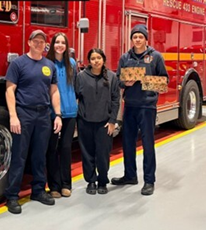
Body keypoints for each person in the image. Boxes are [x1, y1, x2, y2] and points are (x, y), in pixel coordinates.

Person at [4, 30, 62, 214]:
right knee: (19, 156)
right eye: (35, 41)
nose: (39, 44)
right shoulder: (18, 64)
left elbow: (54, 91)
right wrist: (13, 116)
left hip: (44, 115)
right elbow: (9, 90)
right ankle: (12, 196)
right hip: (24, 114)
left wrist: (58, 115)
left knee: (39, 156)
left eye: (42, 42)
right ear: (29, 42)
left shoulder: (49, 66)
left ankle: (38, 191)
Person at [112, 24, 168, 195]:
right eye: (134, 37)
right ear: (132, 39)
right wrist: (125, 83)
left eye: (140, 37)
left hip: (147, 106)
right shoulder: (125, 58)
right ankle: (130, 175)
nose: (137, 39)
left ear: (146, 39)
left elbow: (164, 80)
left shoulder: (155, 57)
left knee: (147, 144)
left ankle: (149, 180)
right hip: (130, 106)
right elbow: (118, 80)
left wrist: (145, 81)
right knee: (127, 143)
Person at [75, 48, 120, 195]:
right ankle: (91, 181)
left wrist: (113, 120)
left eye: (99, 58)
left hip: (104, 123)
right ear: (89, 61)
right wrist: (77, 118)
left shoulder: (112, 77)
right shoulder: (81, 77)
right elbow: (76, 97)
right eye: (93, 58)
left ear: (103, 60)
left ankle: (102, 181)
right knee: (87, 154)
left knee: (103, 154)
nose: (96, 61)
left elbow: (115, 100)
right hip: (85, 122)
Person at [45, 32, 78, 198]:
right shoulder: (46, 64)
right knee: (52, 149)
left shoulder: (72, 63)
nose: (59, 45)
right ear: (52, 45)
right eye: (57, 42)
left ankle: (66, 184)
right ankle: (54, 186)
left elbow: (76, 86)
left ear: (66, 46)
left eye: (62, 42)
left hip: (70, 112)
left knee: (66, 148)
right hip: (52, 114)